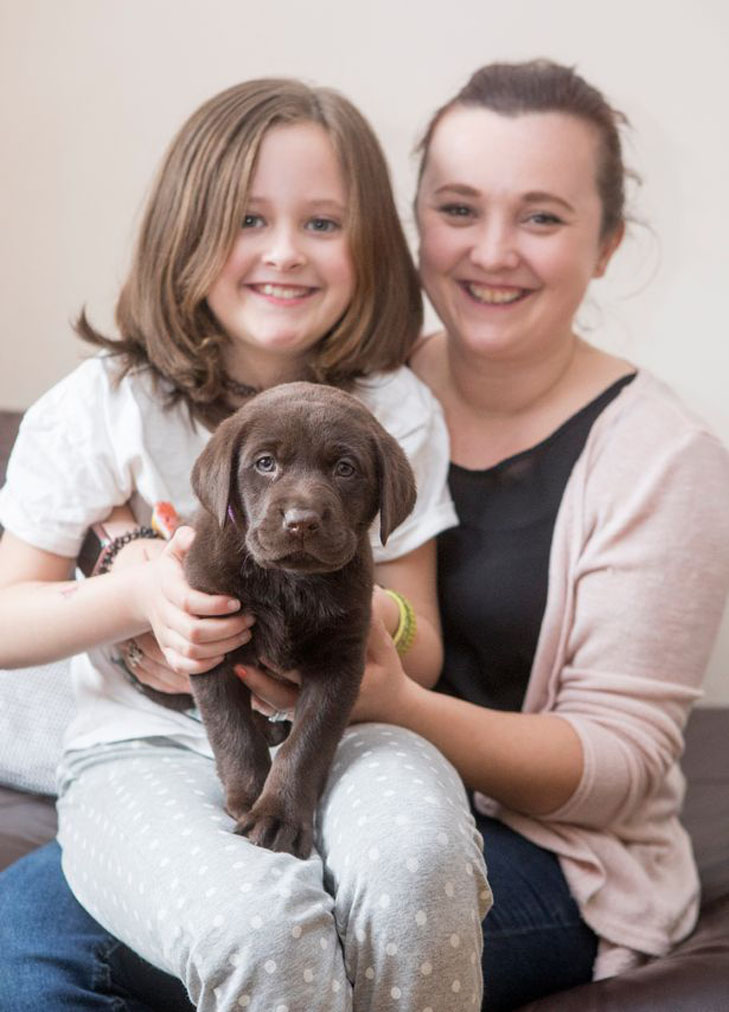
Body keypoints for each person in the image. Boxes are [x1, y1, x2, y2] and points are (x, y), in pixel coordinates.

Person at [236, 60, 729, 1009]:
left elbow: (619, 769)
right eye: (458, 209)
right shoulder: (351, 397)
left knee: (274, 940)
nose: (491, 251)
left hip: (548, 859)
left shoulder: (668, 460)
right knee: (48, 918)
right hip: (338, 789)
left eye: (541, 217)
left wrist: (391, 703)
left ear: (607, 243)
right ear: (412, 223)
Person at [0, 79, 489, 1011]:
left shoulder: (395, 411)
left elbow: (417, 643)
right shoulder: (103, 404)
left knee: (417, 869)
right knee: (258, 926)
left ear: (372, 247)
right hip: (141, 750)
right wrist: (138, 593)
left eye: (321, 223)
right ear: (185, 230)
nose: (282, 252)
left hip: (353, 736)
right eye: (248, 218)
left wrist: (371, 618)